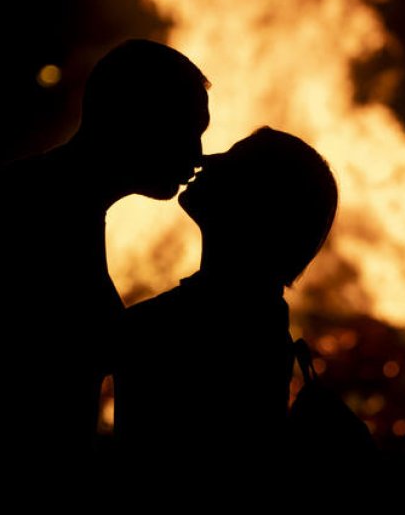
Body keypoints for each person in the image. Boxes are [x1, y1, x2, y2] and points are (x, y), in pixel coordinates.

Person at [0, 39, 209, 473]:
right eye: (187, 130)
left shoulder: (50, 198)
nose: (197, 156)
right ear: (134, 120)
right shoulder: (35, 209)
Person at [113, 127, 338, 472]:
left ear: (255, 203)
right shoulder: (257, 321)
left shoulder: (186, 327)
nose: (208, 161)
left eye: (233, 160)